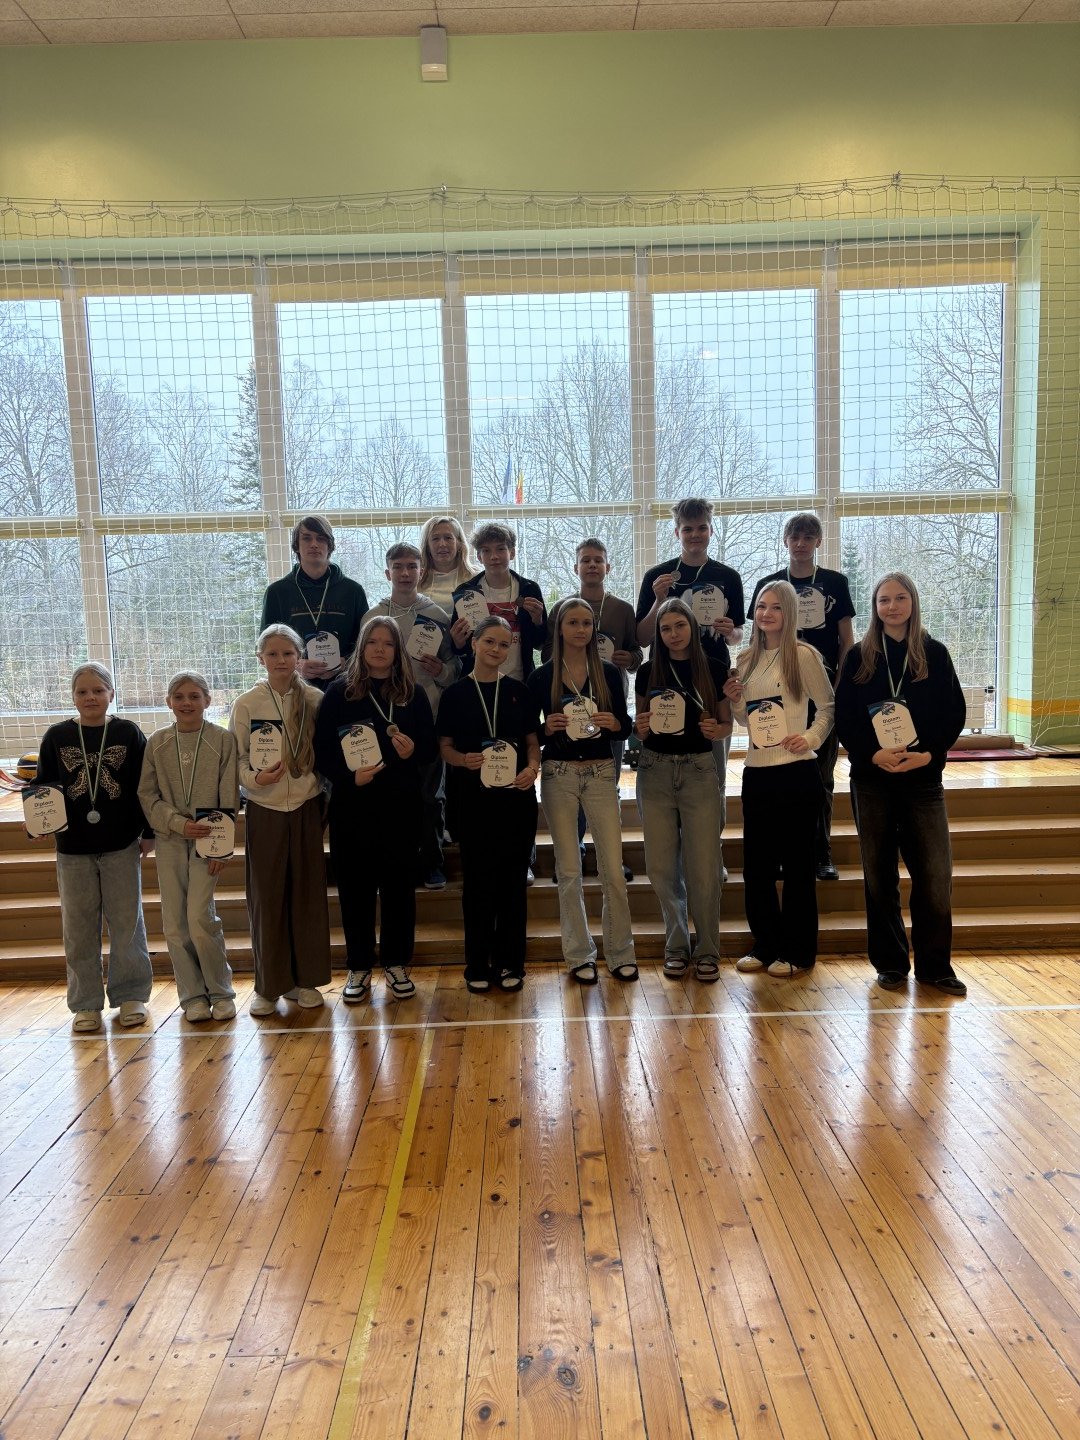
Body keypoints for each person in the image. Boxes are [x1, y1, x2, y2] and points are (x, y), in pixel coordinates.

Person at [835, 572, 968, 997]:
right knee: (879, 877)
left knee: (935, 876)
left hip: (923, 780)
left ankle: (935, 966)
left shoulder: (935, 653)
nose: (891, 607)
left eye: (900, 598)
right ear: (874, 607)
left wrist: (929, 753)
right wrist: (871, 754)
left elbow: (953, 713)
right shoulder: (858, 657)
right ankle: (890, 964)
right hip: (872, 781)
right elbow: (845, 717)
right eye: (883, 600)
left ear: (913, 602)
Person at [314, 616, 436, 1003]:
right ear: (362, 648)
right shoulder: (340, 692)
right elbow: (322, 751)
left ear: (398, 651)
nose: (380, 649)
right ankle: (359, 966)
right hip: (353, 807)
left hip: (401, 807)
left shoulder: (413, 694)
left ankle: (397, 962)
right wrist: (349, 777)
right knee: (356, 890)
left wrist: (414, 750)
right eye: (373, 642)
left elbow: (431, 749)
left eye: (387, 643)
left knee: (399, 889)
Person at [723, 582, 835, 978]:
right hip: (757, 773)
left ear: (789, 613)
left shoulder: (803, 656)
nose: (766, 614)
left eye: (775, 607)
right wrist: (735, 698)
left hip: (796, 772)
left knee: (799, 868)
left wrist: (810, 738)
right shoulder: (745, 658)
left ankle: (799, 951)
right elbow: (744, 720)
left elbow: (828, 708)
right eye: (761, 606)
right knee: (757, 868)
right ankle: (766, 944)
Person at [35, 662, 154, 1033]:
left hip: (121, 844)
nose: (91, 698)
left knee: (127, 923)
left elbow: (145, 785)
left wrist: (149, 831)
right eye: (83, 692)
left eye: (98, 690)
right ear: (72, 696)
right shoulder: (57, 736)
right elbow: (43, 786)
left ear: (111, 694)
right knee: (78, 927)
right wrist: (39, 822)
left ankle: (131, 995)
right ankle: (85, 1003)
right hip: (73, 848)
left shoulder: (127, 732)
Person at [527, 598, 636, 984]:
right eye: (572, 622)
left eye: (587, 623)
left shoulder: (608, 673)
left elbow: (625, 726)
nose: (580, 629)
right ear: (559, 628)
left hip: (601, 772)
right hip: (558, 774)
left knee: (612, 870)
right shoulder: (542, 676)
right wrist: (546, 729)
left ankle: (620, 952)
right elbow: (531, 734)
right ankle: (579, 956)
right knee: (569, 871)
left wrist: (613, 723)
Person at [231, 624, 331, 1017]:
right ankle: (269, 986)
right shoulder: (246, 704)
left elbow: (327, 752)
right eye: (272, 654)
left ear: (299, 656)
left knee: (307, 894)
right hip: (265, 808)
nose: (281, 660)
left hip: (306, 805)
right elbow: (237, 759)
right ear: (261, 658)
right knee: (267, 898)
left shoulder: (316, 699)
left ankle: (306, 981)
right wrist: (255, 780)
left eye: (288, 653)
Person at [438, 616, 541, 994]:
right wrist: (462, 760)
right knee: (478, 885)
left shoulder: (519, 691)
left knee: (513, 884)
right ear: (474, 643)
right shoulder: (454, 694)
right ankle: (478, 964)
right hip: (473, 802)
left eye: (503, 644)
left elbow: (532, 743)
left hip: (516, 799)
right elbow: (444, 748)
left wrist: (532, 768)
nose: (496, 650)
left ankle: (511, 962)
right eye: (489, 642)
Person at [750, 513, 855, 880]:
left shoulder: (835, 582)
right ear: (785, 541)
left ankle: (820, 852)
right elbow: (756, 639)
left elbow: (847, 640)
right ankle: (783, 853)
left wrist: (838, 687)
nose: (800, 543)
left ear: (818, 542)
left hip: (821, 690)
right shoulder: (769, 585)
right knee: (780, 773)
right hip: (780, 694)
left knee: (820, 777)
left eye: (808, 537)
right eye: (794, 537)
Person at [635, 496, 745, 842]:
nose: (695, 534)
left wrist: (730, 631)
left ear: (711, 530)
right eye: (687, 529)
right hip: (664, 680)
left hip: (709, 680)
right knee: (666, 761)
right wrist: (658, 599)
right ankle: (673, 848)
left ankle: (710, 851)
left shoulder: (728, 576)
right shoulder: (657, 576)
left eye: (701, 528)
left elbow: (738, 635)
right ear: (676, 532)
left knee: (713, 767)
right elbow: (641, 637)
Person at [634, 598, 731, 982]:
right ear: (658, 635)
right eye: (665, 629)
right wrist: (640, 728)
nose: (673, 634)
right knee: (660, 868)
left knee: (704, 868)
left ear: (692, 626)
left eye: (679, 626)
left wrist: (717, 730)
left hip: (699, 771)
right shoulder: (647, 672)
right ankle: (676, 945)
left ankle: (707, 949)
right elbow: (640, 728)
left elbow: (726, 724)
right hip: (655, 771)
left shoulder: (715, 667)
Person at [139, 670, 238, 1021]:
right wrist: (177, 823)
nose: (186, 703)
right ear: (169, 702)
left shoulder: (222, 740)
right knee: (175, 924)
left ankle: (221, 991)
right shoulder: (157, 742)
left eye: (194, 696)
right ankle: (193, 996)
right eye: (179, 697)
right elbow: (147, 794)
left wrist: (221, 847)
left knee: (199, 917)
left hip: (208, 842)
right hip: (170, 841)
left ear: (207, 701)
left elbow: (229, 795)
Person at [362, 541, 460, 891]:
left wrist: (440, 670)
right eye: (398, 567)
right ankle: (388, 862)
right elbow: (359, 668)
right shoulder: (373, 618)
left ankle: (432, 862)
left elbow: (455, 667)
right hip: (383, 721)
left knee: (430, 795)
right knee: (386, 795)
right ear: (387, 573)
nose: (405, 573)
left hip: (427, 718)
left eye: (411, 566)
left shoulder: (438, 615)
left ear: (422, 571)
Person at [545, 538, 642, 881]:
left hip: (608, 708)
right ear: (576, 567)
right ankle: (573, 854)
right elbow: (547, 654)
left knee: (607, 782)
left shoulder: (622, 609)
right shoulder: (561, 608)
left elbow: (637, 654)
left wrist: (628, 658)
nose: (591, 565)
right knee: (570, 790)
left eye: (598, 560)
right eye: (585, 560)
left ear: (607, 567)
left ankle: (608, 856)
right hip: (569, 707)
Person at [260, 514, 368, 692]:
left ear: (330, 545)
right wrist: (296, 665)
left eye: (321, 538)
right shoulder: (277, 592)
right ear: (296, 545)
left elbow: (366, 643)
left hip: (345, 688)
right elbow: (266, 648)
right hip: (294, 689)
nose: (314, 544)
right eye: (307, 538)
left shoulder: (353, 591)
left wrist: (346, 662)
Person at [449, 522, 547, 683]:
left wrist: (538, 621)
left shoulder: (529, 589)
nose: (494, 556)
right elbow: (459, 650)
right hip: (478, 682)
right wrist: (458, 642)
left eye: (500, 549)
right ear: (479, 557)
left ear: (512, 553)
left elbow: (540, 643)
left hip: (519, 680)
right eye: (486, 550)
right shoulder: (466, 592)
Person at [418, 514, 479, 616]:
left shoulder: (475, 578)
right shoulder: (417, 580)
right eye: (435, 539)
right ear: (427, 545)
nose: (442, 544)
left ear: (459, 543)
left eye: (448, 538)